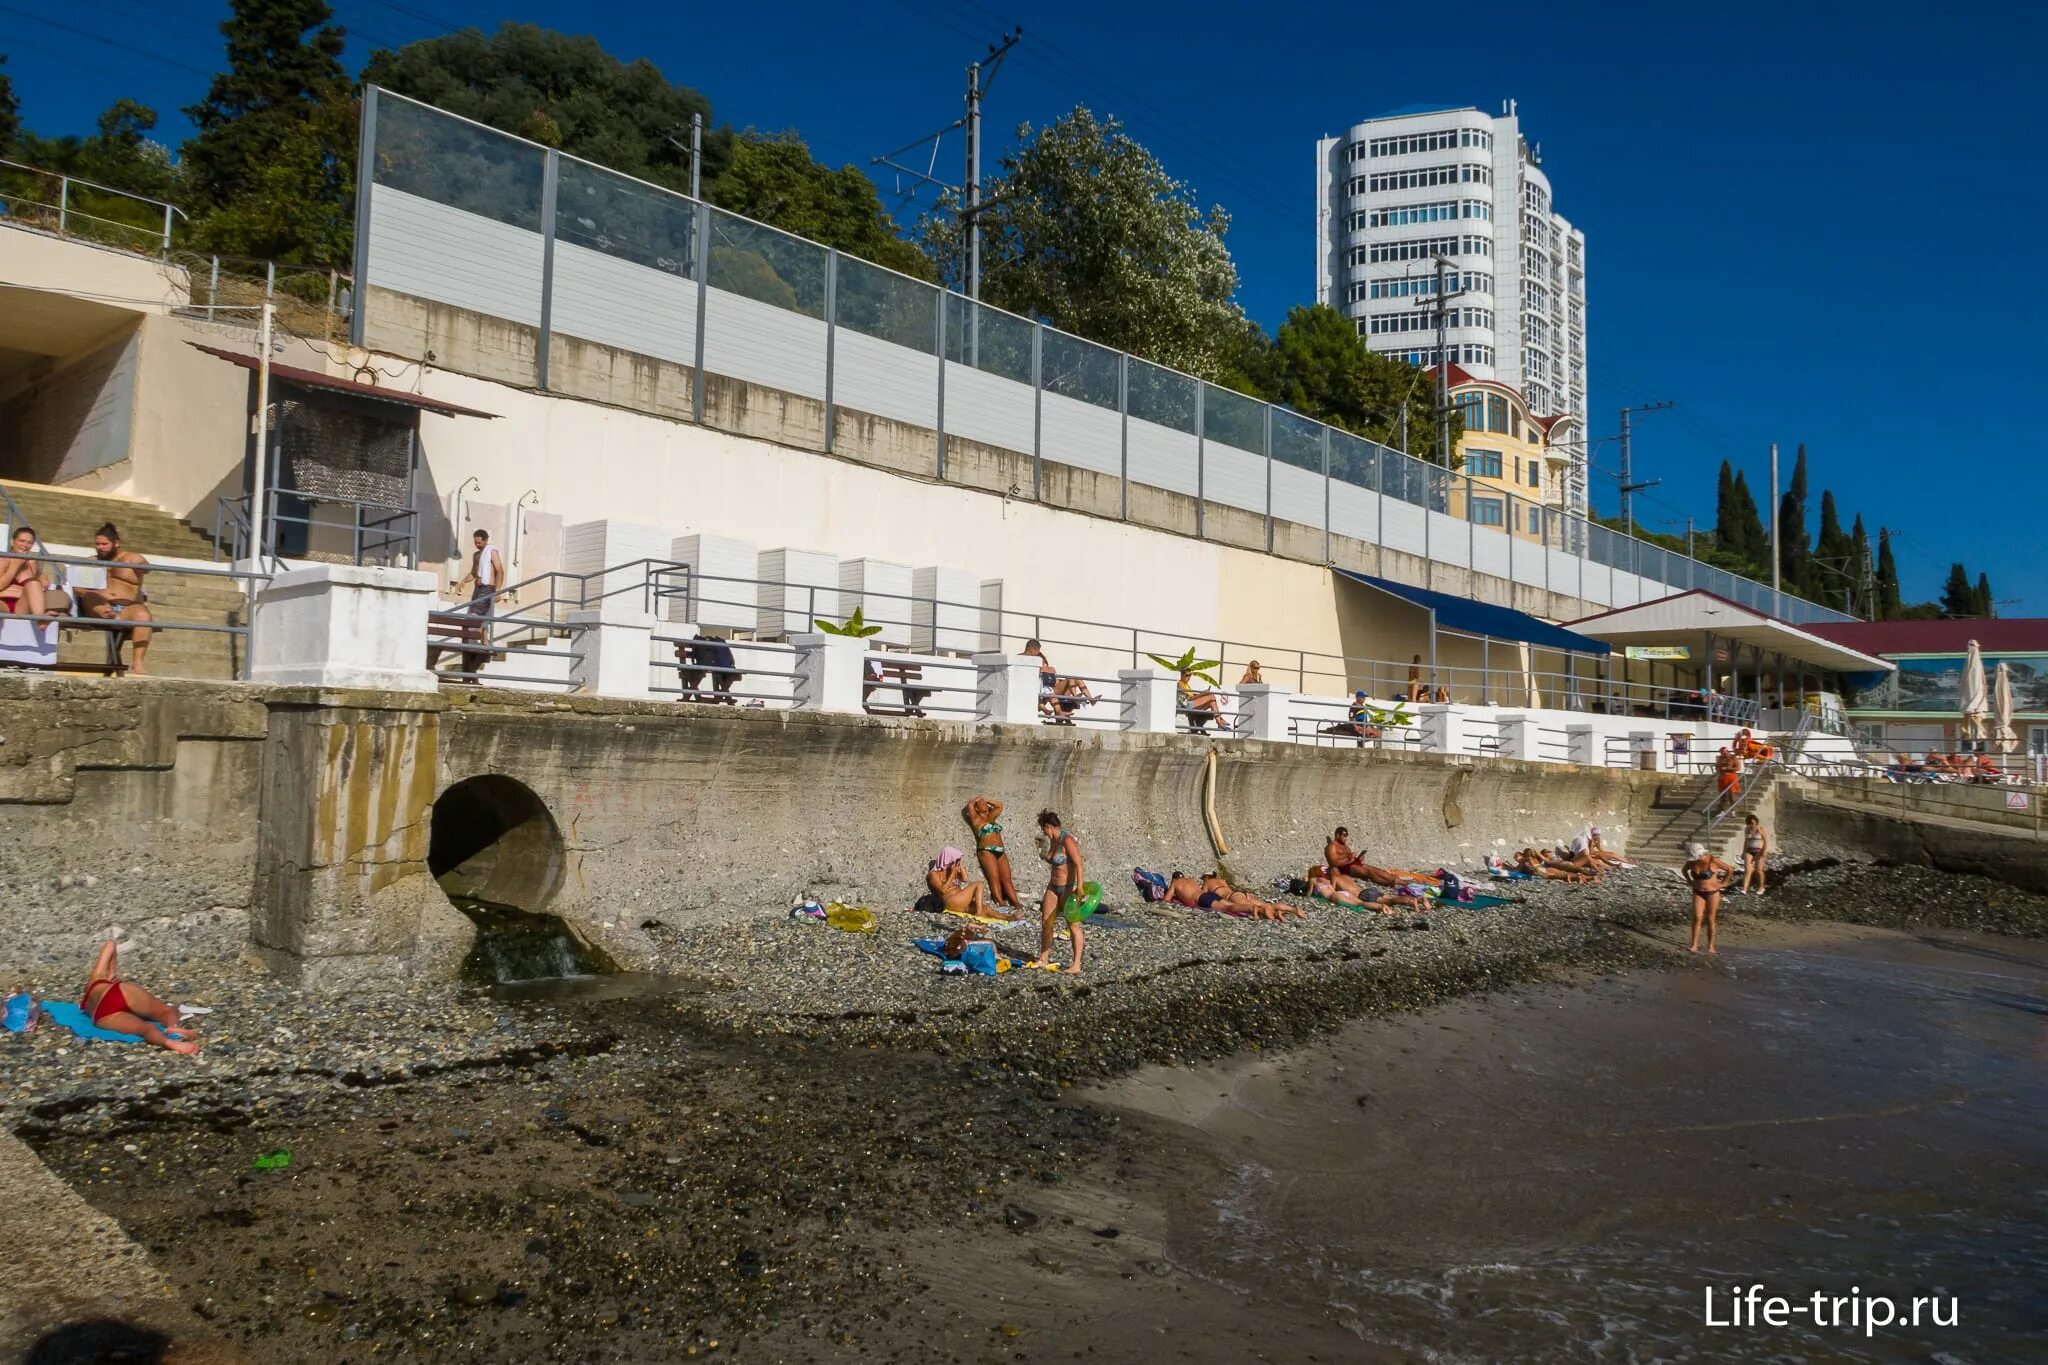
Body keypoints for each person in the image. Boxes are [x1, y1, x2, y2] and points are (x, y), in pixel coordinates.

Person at [79, 939, 200, 1054]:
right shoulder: (96, 978)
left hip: (102, 1015)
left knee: (145, 1029)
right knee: (166, 1010)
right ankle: (173, 1027)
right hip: (117, 990)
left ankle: (170, 1043)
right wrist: (112, 973)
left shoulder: (90, 992)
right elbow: (110, 944)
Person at [72, 523, 153, 674]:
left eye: (104, 544)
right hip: (99, 605)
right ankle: (110, 615)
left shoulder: (130, 558)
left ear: (116, 543)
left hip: (127, 606)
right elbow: (75, 586)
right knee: (89, 595)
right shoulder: (91, 562)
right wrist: (88, 591)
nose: (100, 547)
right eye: (97, 544)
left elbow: (146, 567)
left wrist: (141, 565)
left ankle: (138, 663)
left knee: (143, 616)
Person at [1031, 811, 1087, 974]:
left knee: (1073, 925)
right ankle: (1043, 958)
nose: (1044, 833)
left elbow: (1078, 864)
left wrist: (1080, 887)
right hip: (1053, 887)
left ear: (1048, 826)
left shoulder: (1066, 840)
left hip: (1068, 887)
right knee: (1046, 921)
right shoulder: (1053, 842)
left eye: (1044, 829)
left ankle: (1076, 964)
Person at [963, 796, 1022, 909]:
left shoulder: (991, 817)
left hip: (1000, 850)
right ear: (977, 809)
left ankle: (1016, 902)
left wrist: (987, 800)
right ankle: (1000, 901)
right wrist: (977, 800)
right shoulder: (976, 819)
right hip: (986, 850)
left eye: (986, 803)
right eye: (982, 803)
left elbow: (999, 805)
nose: (985, 804)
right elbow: (970, 804)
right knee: (993, 877)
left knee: (1007, 878)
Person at [927, 847, 1013, 921]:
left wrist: (960, 865)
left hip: (960, 901)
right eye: (954, 860)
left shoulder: (951, 869)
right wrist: (952, 874)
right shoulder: (934, 874)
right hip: (952, 900)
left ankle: (1007, 918)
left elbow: (965, 879)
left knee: (986, 909)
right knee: (979, 884)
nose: (955, 862)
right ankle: (979, 913)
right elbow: (943, 890)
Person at [1683, 842, 1734, 954]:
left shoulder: (1712, 860)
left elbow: (1729, 869)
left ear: (1701, 854)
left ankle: (1711, 946)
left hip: (1712, 893)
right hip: (1698, 892)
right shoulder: (1691, 862)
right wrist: (1690, 881)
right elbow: (1684, 870)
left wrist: (1723, 883)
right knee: (1697, 917)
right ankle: (1694, 944)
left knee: (1710, 919)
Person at [0, 526, 54, 616]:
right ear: (13, 542)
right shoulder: (4, 560)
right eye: (21, 541)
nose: (25, 545)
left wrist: (42, 578)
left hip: (22, 606)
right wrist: (14, 566)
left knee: (33, 583)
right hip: (3, 603)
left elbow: (39, 577)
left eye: (29, 543)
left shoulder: (32, 562)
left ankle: (41, 618)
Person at [677, 631, 741, 703]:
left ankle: (718, 697)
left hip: (711, 665)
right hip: (718, 665)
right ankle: (719, 696)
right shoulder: (720, 642)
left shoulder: (703, 641)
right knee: (701, 673)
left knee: (731, 675)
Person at [1738, 814, 1770, 897]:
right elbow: (1746, 841)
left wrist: (1763, 852)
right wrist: (1743, 851)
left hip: (1759, 850)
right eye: (1750, 823)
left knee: (1758, 870)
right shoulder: (1747, 829)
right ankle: (1744, 889)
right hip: (1749, 850)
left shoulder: (1761, 829)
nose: (1752, 825)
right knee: (1747, 870)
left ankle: (1761, 887)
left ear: (1756, 823)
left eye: (1753, 823)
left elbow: (1765, 841)